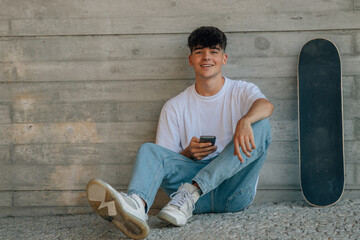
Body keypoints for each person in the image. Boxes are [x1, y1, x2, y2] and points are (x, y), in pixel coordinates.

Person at [86, 26, 274, 239]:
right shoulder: (174, 106)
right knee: (150, 150)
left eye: (214, 51)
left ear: (224, 58)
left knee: (262, 125)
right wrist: (187, 154)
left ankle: (194, 189)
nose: (206, 57)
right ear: (190, 59)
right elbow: (163, 165)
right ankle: (137, 206)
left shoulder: (241, 91)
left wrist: (245, 120)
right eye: (199, 51)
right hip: (183, 202)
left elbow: (267, 106)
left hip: (233, 192)